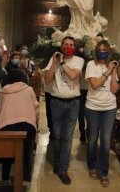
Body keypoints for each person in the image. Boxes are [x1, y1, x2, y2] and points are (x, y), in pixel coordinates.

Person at [44, 36, 84, 185]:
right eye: (65, 44)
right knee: (57, 135)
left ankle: (63, 169)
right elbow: (47, 80)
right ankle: (58, 161)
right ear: (61, 46)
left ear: (74, 47)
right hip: (56, 102)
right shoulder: (54, 59)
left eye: (71, 45)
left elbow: (73, 75)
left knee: (67, 137)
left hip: (73, 103)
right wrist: (54, 63)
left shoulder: (79, 61)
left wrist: (61, 62)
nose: (68, 46)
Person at [84, 40, 118, 188]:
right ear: (96, 51)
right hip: (92, 107)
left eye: (105, 49)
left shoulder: (112, 66)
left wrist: (114, 71)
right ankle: (92, 166)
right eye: (100, 49)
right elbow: (94, 84)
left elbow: (115, 90)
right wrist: (108, 72)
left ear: (108, 51)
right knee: (92, 140)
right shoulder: (92, 65)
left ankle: (103, 172)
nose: (102, 51)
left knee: (105, 142)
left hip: (109, 107)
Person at [0, 69, 39, 183]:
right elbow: (35, 107)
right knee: (25, 151)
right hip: (27, 124)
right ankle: (24, 176)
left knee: (7, 151)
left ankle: (5, 177)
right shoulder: (29, 89)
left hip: (7, 125)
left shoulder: (3, 91)